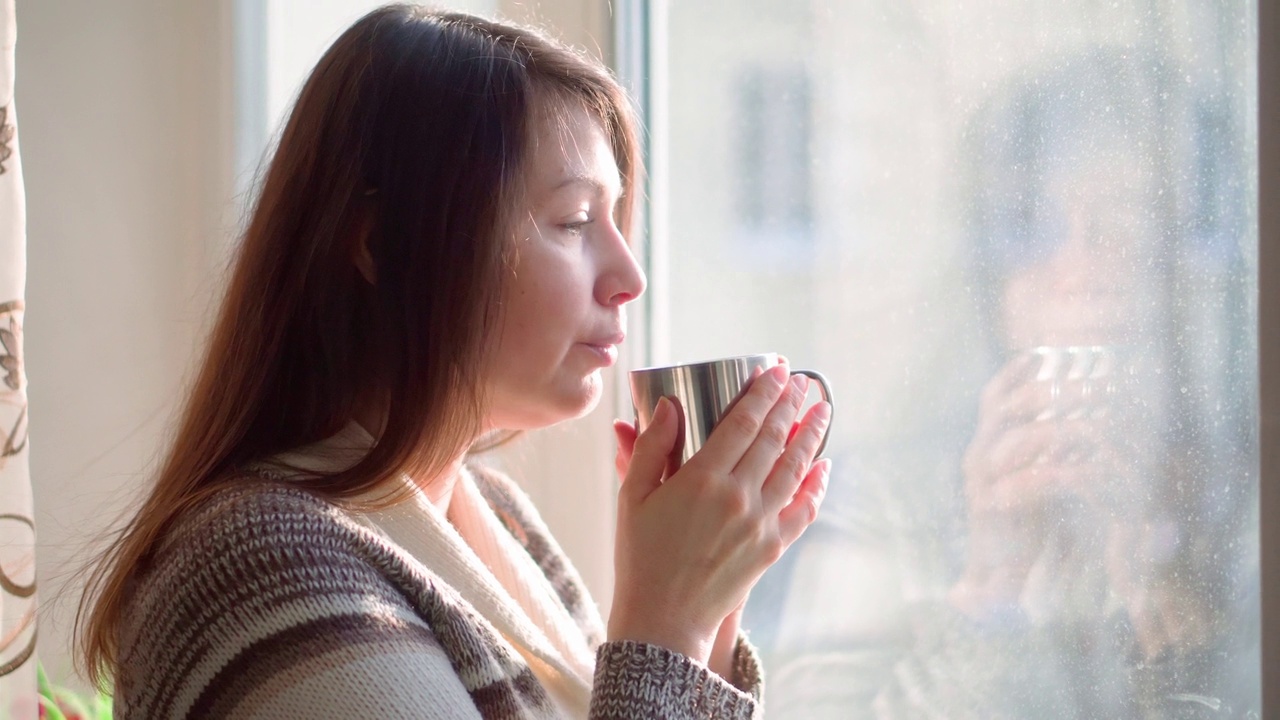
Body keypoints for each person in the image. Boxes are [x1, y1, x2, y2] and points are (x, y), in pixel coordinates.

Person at [75, 6, 834, 718]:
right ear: (380, 243)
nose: (629, 275)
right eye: (573, 220)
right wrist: (667, 620)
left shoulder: (500, 521)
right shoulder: (257, 568)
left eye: (614, 217)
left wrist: (710, 611)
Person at [753, 48, 1257, 719]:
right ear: (993, 283)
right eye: (1036, 230)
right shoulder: (890, 505)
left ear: (1189, 274)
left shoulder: (1241, 504)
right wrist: (993, 587)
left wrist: (1158, 603)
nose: (1079, 268)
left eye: (1128, 227)